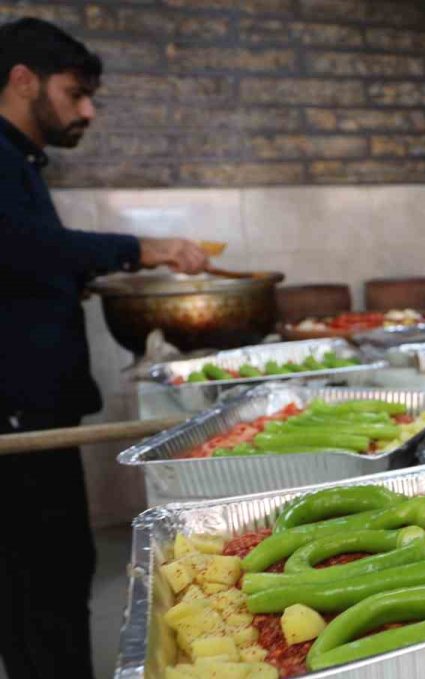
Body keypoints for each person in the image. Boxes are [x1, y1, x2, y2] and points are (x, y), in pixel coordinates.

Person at [0, 18, 208, 678]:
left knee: (53, 574)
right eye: (76, 92)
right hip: (16, 414)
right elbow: (22, 247)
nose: (87, 110)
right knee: (44, 576)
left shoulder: (20, 163)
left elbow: (22, 264)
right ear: (22, 79)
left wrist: (64, 288)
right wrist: (139, 248)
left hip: (36, 406)